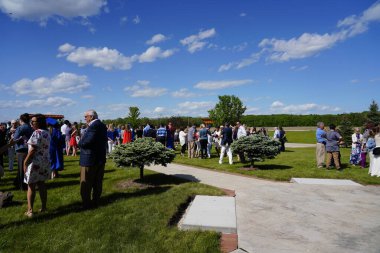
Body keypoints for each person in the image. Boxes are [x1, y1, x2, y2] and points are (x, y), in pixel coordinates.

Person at [23, 114, 51, 217]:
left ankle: (30, 210)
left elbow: (33, 150)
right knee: (42, 184)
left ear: (39, 122)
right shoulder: (47, 133)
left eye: (33, 121)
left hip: (35, 162)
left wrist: (25, 161)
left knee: (31, 186)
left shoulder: (36, 132)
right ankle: (44, 207)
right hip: (45, 161)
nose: (31, 123)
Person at [78, 110, 107, 209]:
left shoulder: (94, 126)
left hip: (89, 158)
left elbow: (87, 141)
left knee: (86, 183)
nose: (84, 118)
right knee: (97, 182)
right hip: (99, 158)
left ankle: (86, 204)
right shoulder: (102, 125)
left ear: (91, 116)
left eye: (85, 116)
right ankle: (96, 201)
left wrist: (80, 143)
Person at [13, 113, 33, 190]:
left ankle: (22, 186)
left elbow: (15, 139)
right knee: (27, 167)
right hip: (29, 149)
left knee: (21, 169)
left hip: (21, 149)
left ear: (21, 120)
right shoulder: (31, 128)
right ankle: (19, 182)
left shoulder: (20, 128)